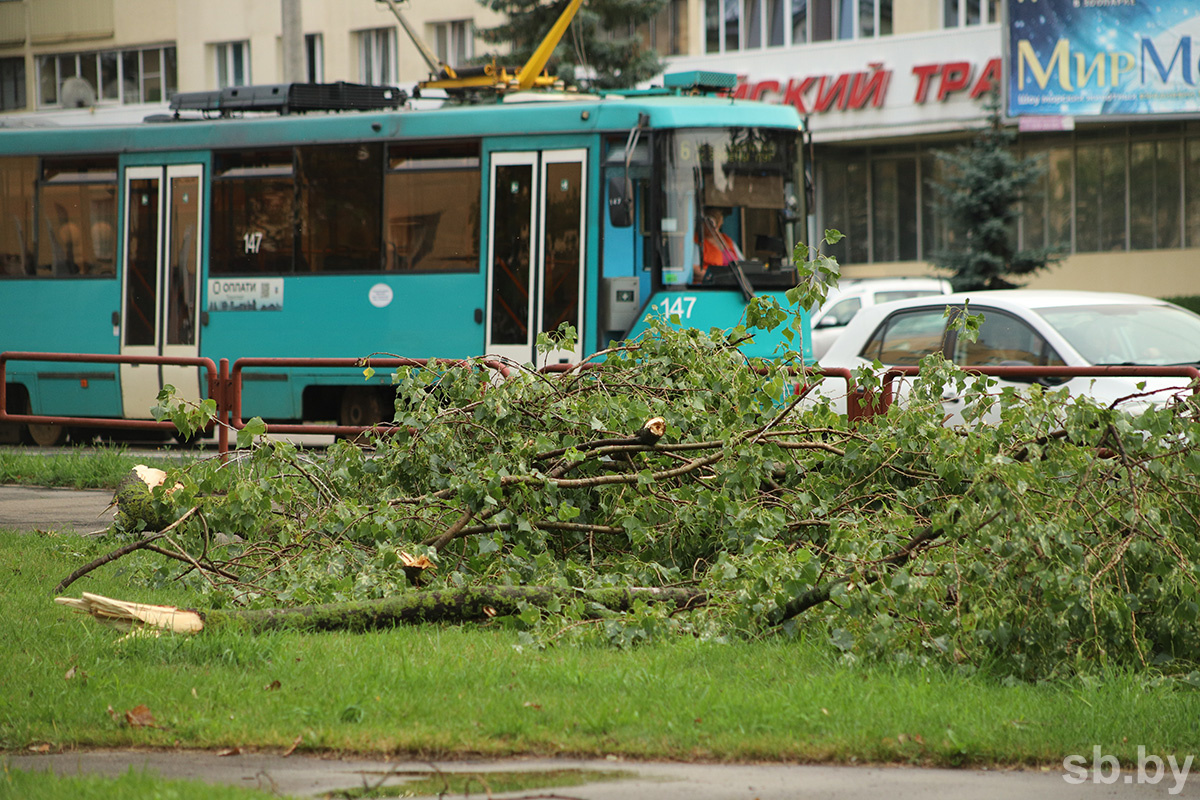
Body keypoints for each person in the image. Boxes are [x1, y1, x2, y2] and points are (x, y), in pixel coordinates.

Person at [694, 206, 742, 283]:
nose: (711, 225)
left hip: (733, 285)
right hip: (709, 286)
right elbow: (694, 269)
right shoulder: (696, 241)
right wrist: (714, 278)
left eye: (715, 221)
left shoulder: (726, 240)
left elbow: (742, 263)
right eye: (708, 222)